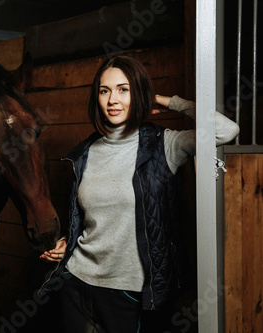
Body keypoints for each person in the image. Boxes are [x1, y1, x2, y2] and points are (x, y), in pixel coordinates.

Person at [38, 55, 240, 332]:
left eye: (124, 89)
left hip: (128, 292)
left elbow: (226, 130)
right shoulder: (84, 153)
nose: (113, 100)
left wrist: (168, 101)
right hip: (76, 282)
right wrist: (67, 243)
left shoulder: (164, 145)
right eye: (104, 90)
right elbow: (90, 218)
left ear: (139, 93)